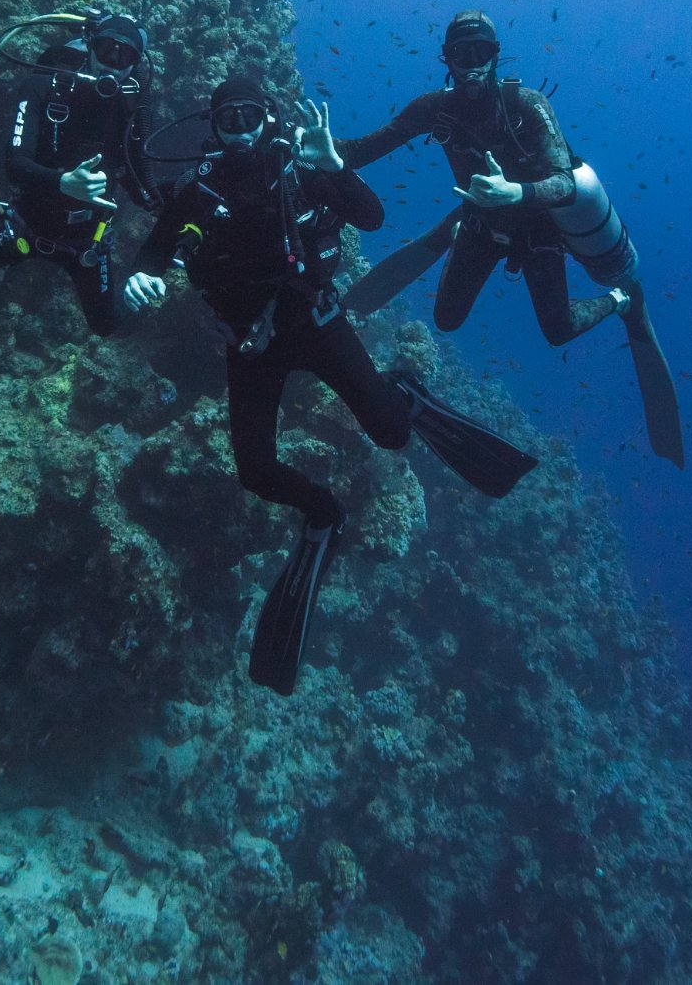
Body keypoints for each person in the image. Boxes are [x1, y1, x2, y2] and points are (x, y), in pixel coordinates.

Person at [127, 76, 537, 694]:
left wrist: (336, 165)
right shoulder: (197, 191)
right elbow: (153, 253)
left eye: (249, 115)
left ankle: (405, 395)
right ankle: (322, 515)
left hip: (316, 322)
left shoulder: (302, 170)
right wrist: (142, 278)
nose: (238, 129)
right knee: (256, 470)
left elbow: (372, 218)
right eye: (226, 118)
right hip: (252, 345)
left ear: (267, 118)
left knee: (391, 432)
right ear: (213, 126)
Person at [337, 9, 633, 345]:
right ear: (447, 60)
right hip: (481, 226)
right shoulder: (433, 108)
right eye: (462, 54)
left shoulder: (528, 106)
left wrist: (516, 192)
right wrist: (310, 142)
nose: (472, 64)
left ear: (495, 56)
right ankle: (458, 227)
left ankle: (618, 299)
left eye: (481, 52)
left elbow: (565, 185)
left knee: (559, 330)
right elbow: (363, 149)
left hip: (539, 234)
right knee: (446, 321)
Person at [0, 11, 166, 336]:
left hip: (86, 242)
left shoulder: (133, 110)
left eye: (125, 55)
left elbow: (140, 181)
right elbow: (15, 164)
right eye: (106, 49)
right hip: (27, 226)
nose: (113, 62)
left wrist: (168, 234)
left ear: (135, 65)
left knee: (105, 326)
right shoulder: (42, 87)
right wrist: (63, 182)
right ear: (89, 47)